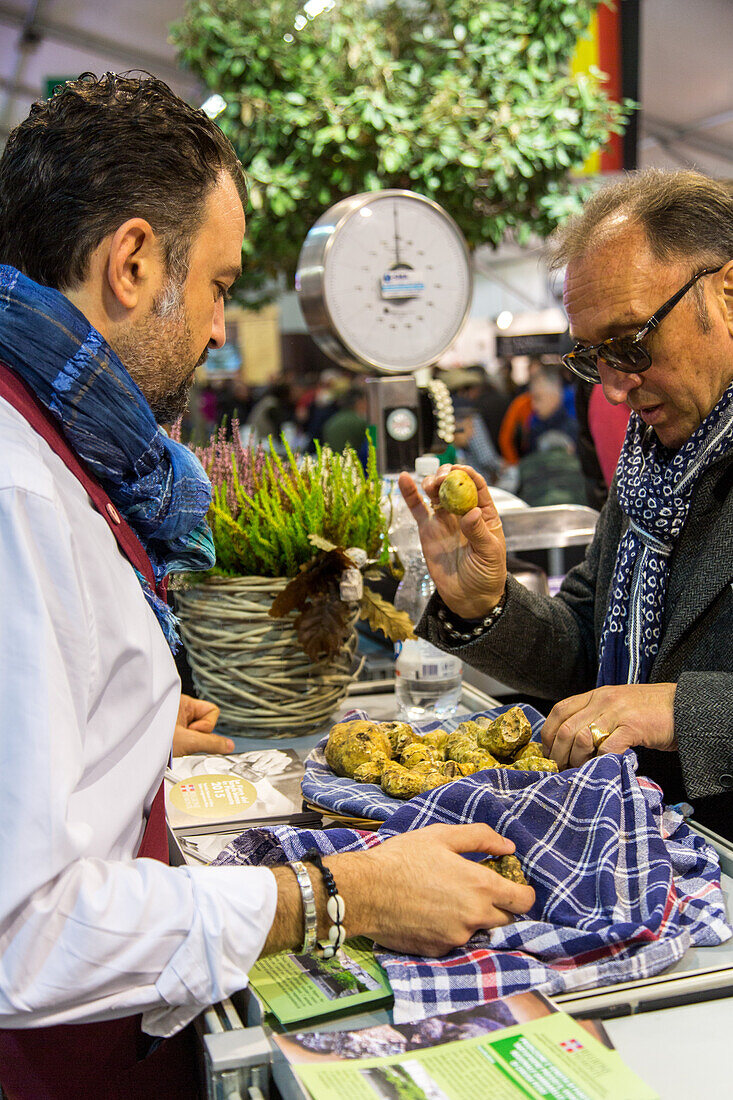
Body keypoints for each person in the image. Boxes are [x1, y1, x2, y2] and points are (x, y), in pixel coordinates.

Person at [0, 74, 534, 1099]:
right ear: (132, 261)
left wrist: (113, 730)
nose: (215, 329)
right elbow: (28, 931)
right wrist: (341, 893)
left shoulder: (52, 445)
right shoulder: (22, 489)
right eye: (216, 285)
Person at [399, 168, 733, 833]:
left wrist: (677, 711)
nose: (612, 391)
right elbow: (588, 647)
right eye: (592, 359)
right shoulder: (652, 462)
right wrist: (484, 604)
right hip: (655, 848)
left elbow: (644, 699)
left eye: (632, 343)